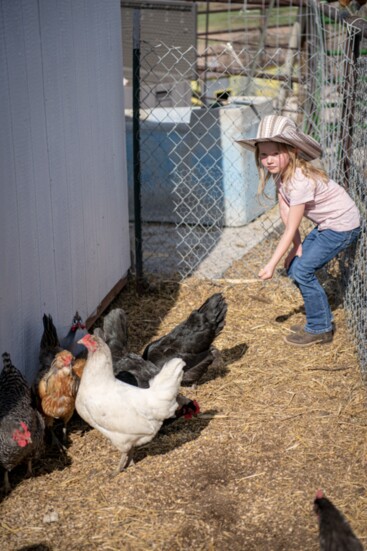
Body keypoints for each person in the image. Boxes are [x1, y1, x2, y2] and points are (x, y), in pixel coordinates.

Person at [236, 114, 360, 347]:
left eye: (275, 153)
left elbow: (292, 226)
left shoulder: (299, 180)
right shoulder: (282, 177)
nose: (269, 160)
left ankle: (320, 327)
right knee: (295, 266)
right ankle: (317, 318)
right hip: (327, 225)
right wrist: (296, 247)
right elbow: (286, 217)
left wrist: (271, 264)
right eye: (264, 154)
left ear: (292, 151)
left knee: (301, 271)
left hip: (342, 225)